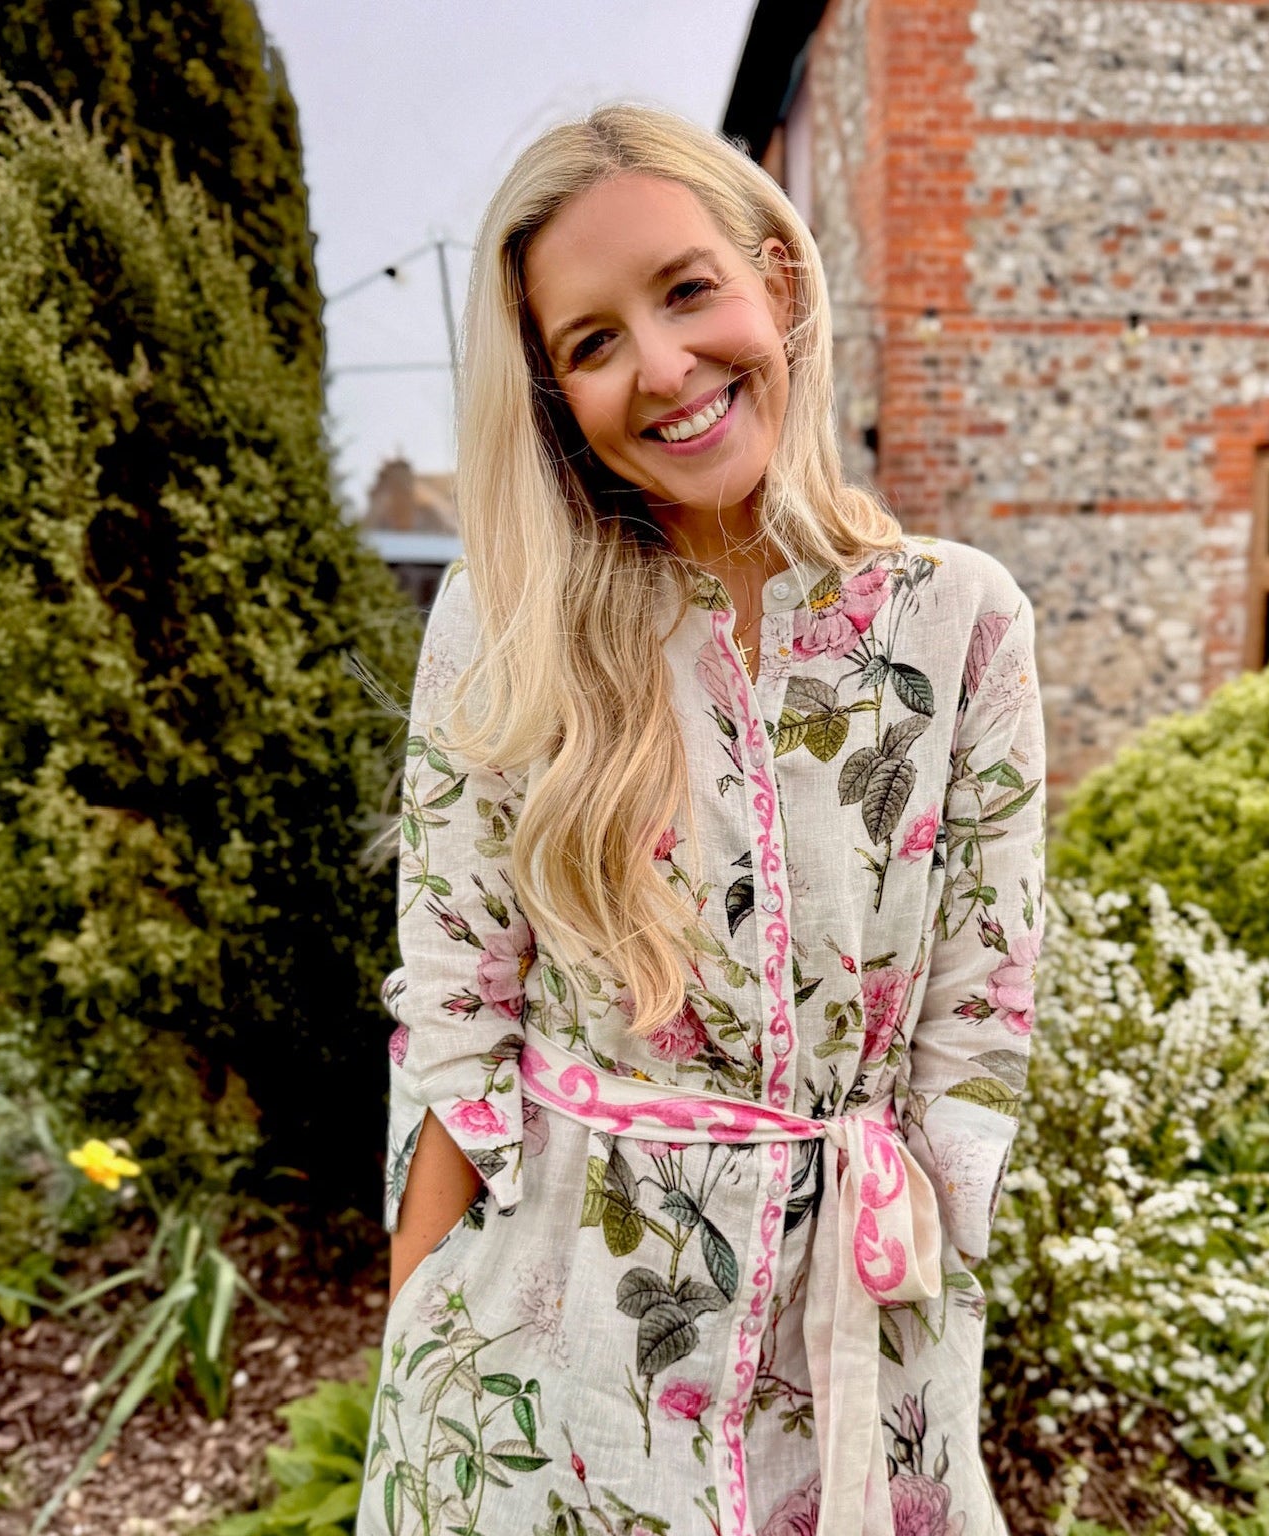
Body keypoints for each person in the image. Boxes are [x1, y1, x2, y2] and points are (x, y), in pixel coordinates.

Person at [359, 103, 1045, 1536]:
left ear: (776, 282)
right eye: (592, 342)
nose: (664, 368)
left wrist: (925, 1325)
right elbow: (454, 1006)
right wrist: (419, 1344)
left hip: (856, 1342)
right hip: (550, 1361)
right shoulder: (507, 625)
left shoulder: (961, 618)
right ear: (554, 401)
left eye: (686, 289)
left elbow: (979, 1019)